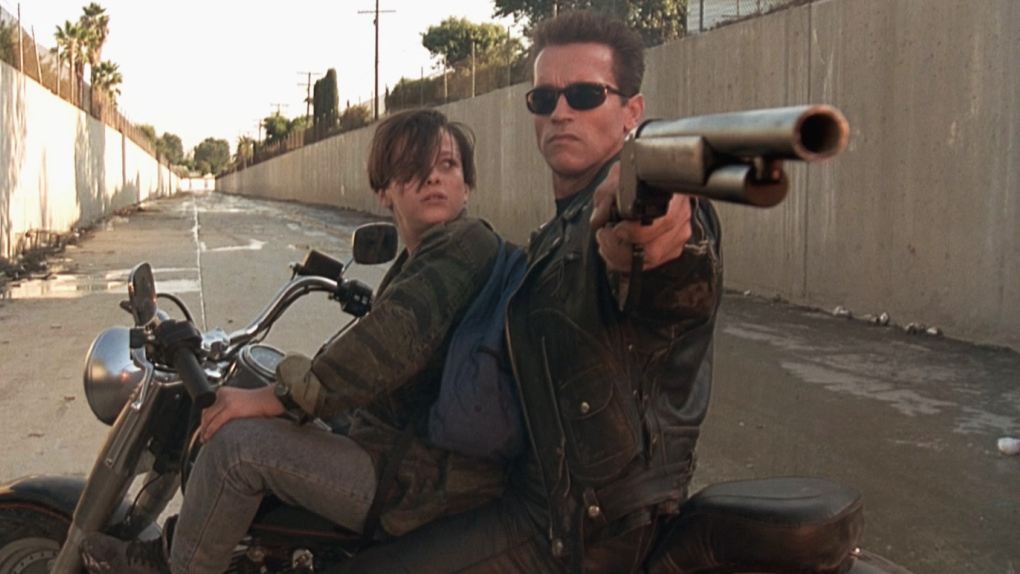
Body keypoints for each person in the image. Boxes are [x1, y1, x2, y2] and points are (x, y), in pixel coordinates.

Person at [329, 10, 722, 574]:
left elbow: (672, 277)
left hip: (582, 522)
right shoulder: (555, 234)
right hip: (534, 493)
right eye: (544, 99)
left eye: (585, 95)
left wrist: (649, 232)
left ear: (632, 111)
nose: (561, 111)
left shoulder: (623, 209)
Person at [80, 109, 514, 574]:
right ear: (384, 191)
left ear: (467, 187)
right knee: (268, 411)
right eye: (414, 166)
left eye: (448, 165)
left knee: (236, 448)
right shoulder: (426, 256)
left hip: (420, 477)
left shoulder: (464, 243)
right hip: (405, 451)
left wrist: (277, 396)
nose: (433, 177)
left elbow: (389, 343)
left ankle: (175, 566)